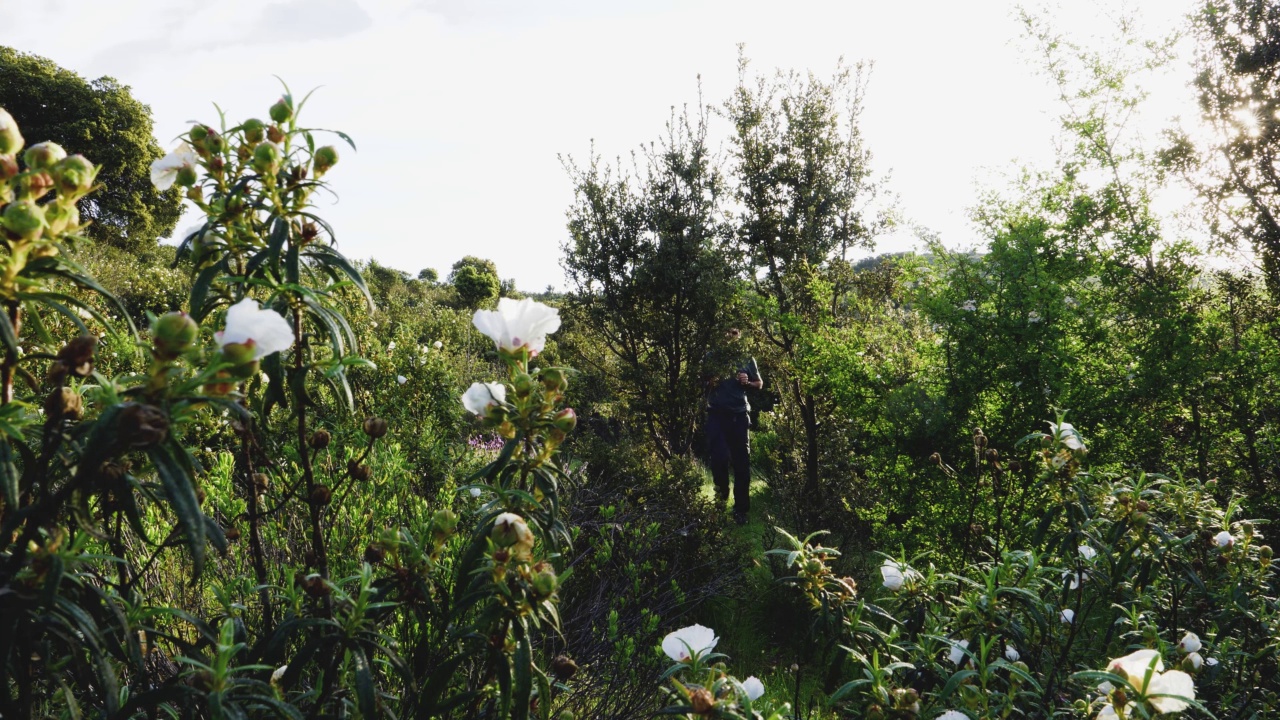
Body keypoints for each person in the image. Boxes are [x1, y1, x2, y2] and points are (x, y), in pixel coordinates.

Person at [704, 327, 762, 525]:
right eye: (727, 331)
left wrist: (748, 382)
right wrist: (712, 382)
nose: (730, 335)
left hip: (739, 415)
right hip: (716, 414)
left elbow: (759, 383)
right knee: (718, 461)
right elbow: (701, 383)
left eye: (735, 332)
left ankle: (740, 511)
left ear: (739, 335)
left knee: (742, 464)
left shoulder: (747, 357)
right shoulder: (711, 356)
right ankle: (720, 505)